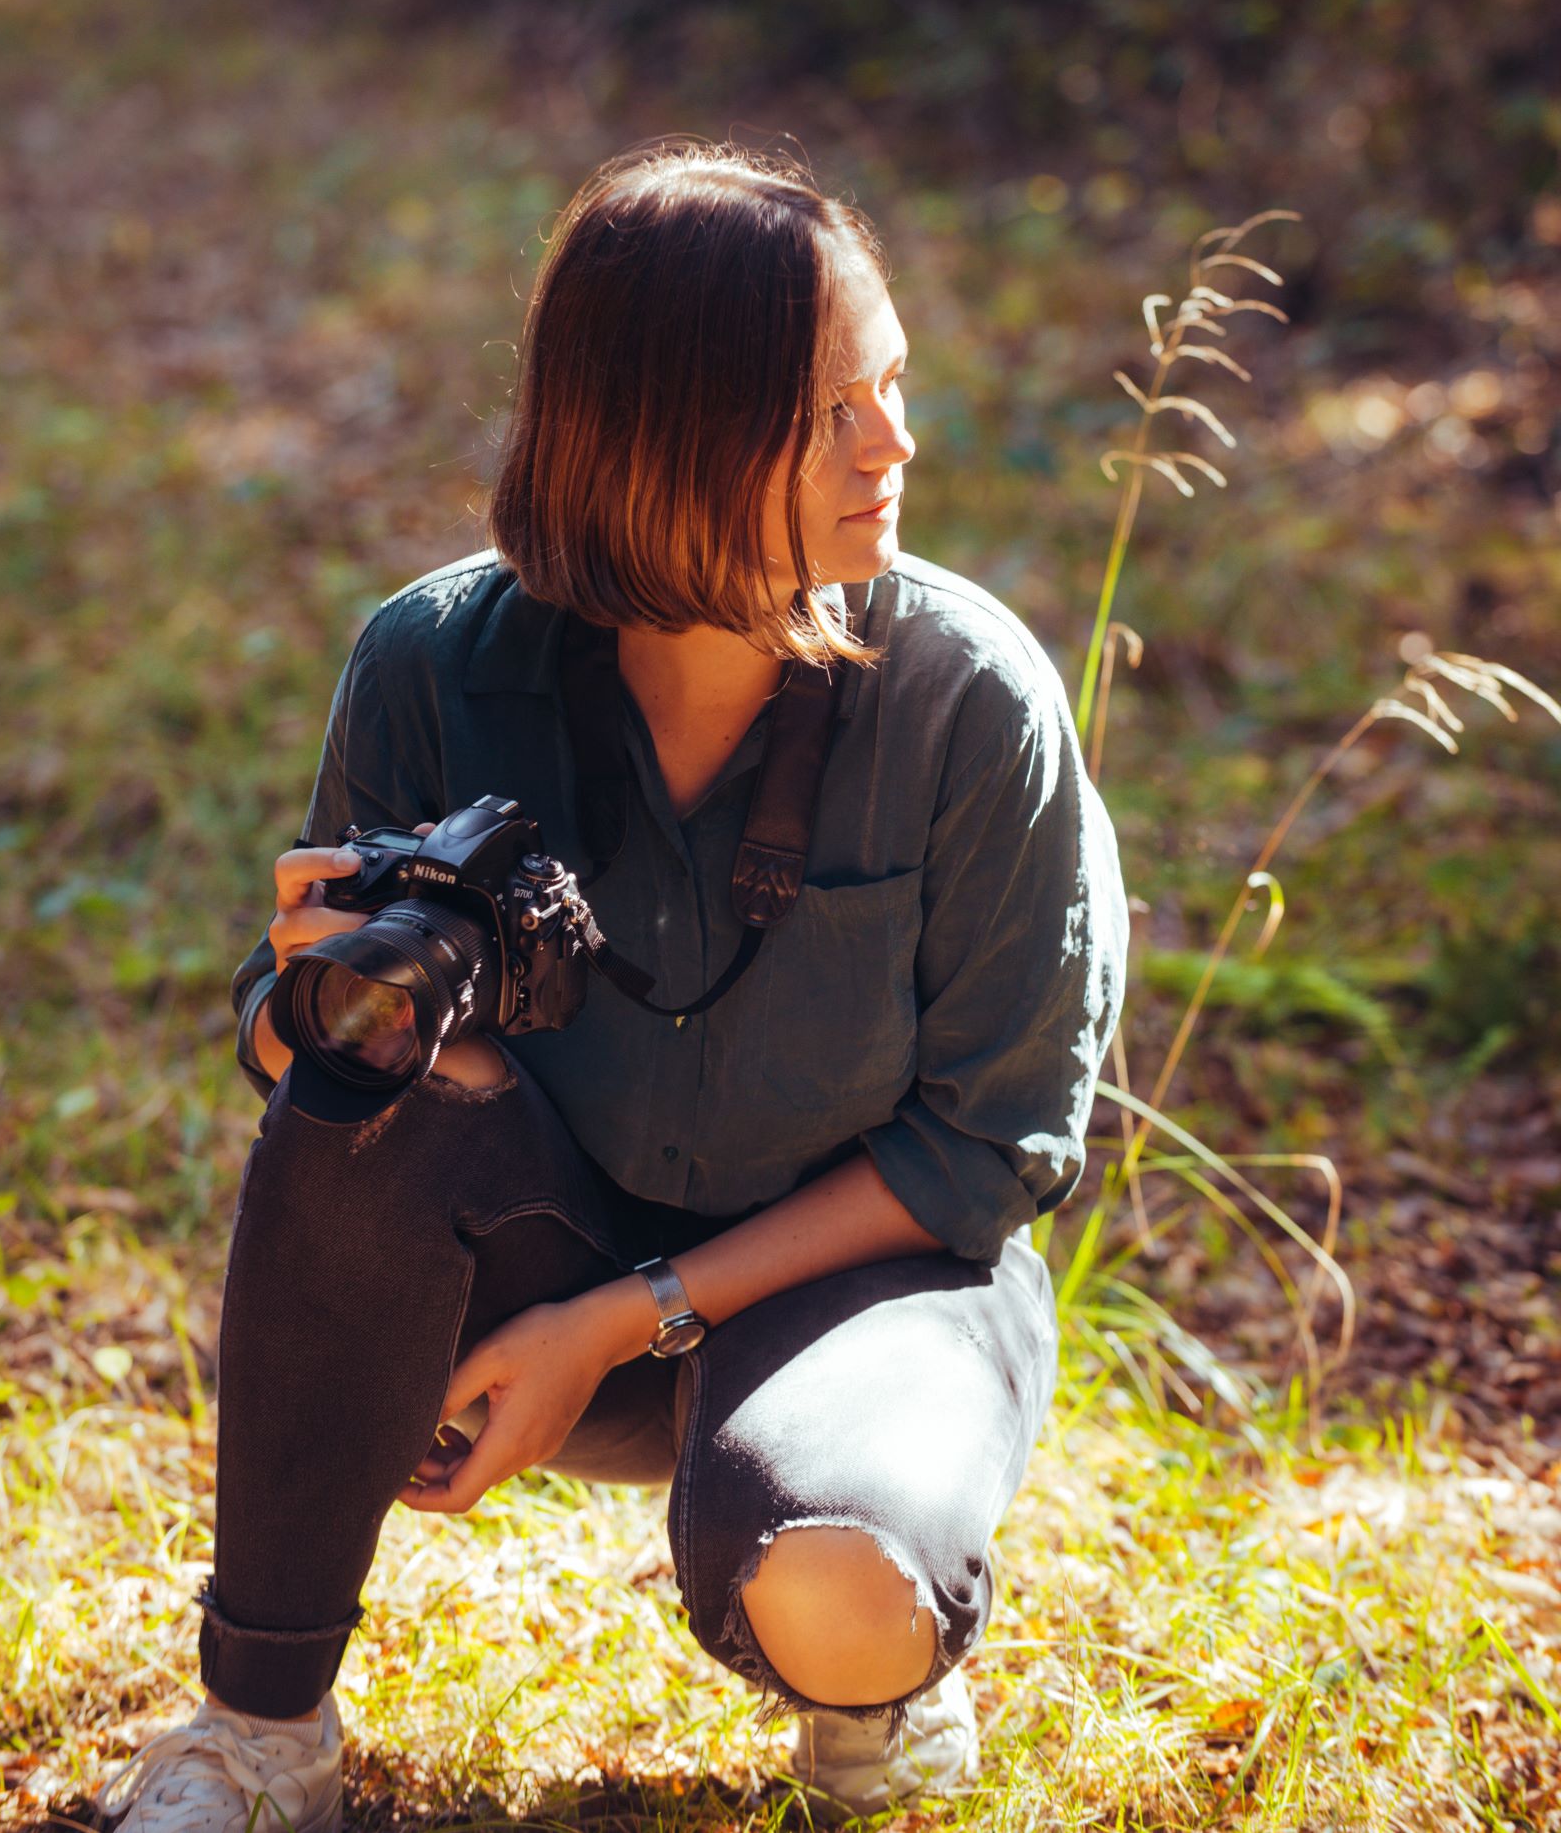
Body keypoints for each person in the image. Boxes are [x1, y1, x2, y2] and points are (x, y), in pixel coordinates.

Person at [97, 140, 1128, 1830]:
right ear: (666, 435)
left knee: (841, 1594)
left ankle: (872, 1687)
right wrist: (308, 1006)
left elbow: (991, 1147)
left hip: (860, 1294)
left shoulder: (969, 701)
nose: (898, 447)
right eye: (834, 412)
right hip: (532, 1259)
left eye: (895, 389)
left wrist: (616, 1325)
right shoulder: (433, 662)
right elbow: (311, 1071)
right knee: (379, 1107)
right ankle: (256, 1728)